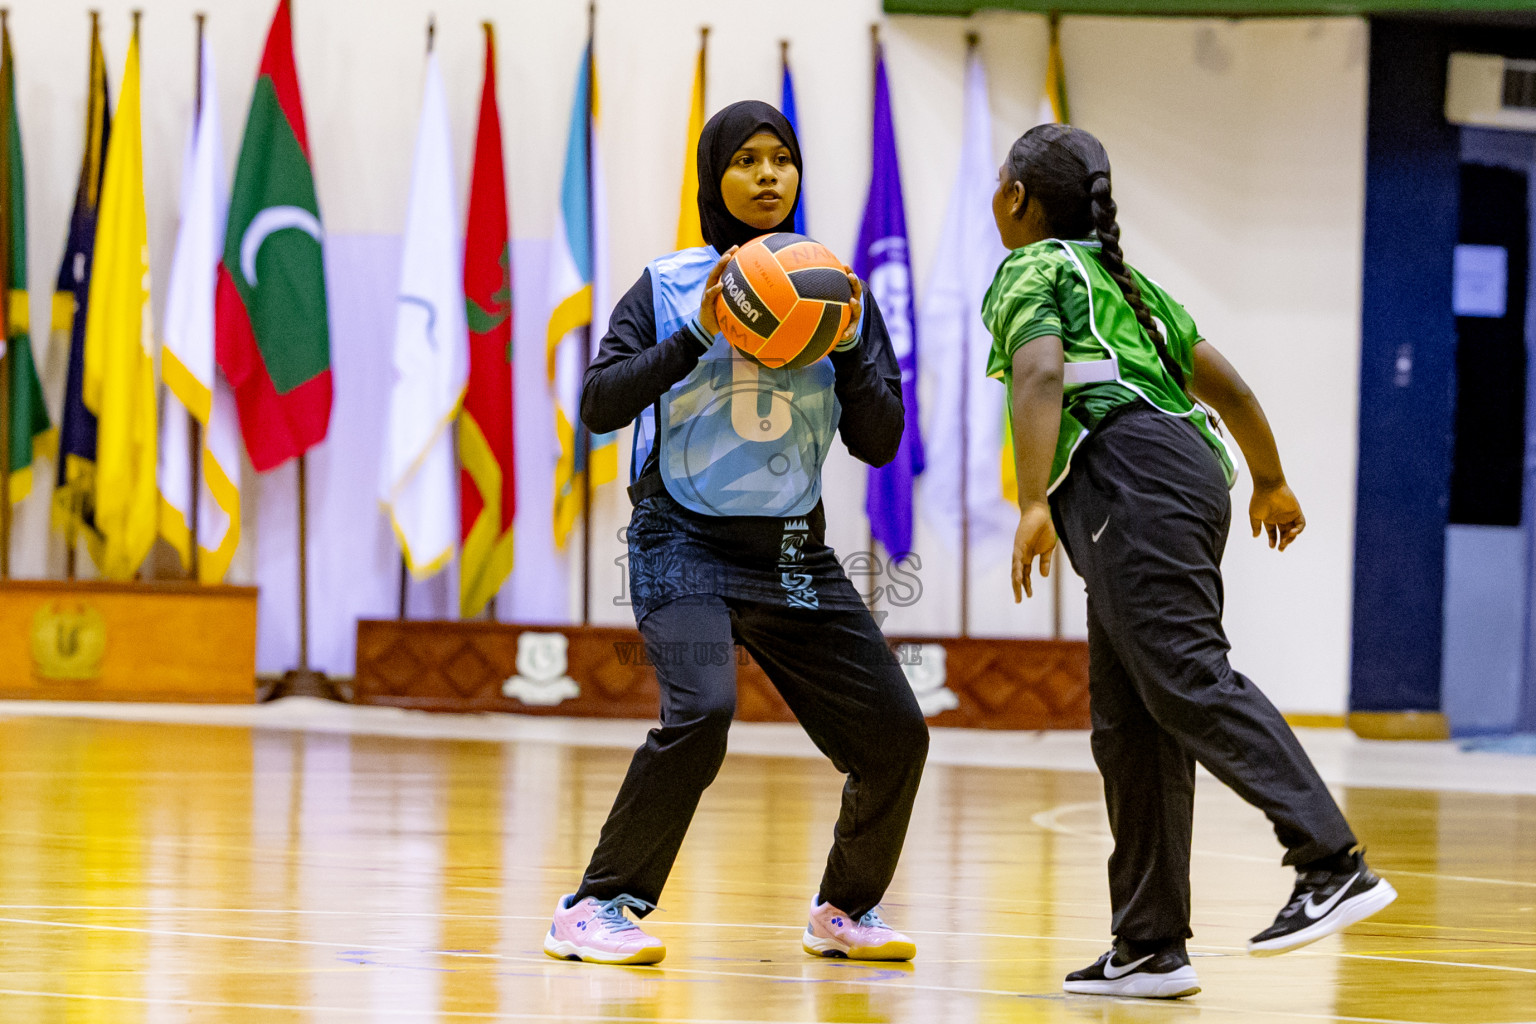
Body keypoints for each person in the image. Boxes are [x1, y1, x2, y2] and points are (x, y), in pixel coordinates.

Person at [985, 123, 1396, 999]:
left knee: (1186, 679)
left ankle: (1331, 862)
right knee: (1131, 723)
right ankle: (1148, 943)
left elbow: (1040, 375)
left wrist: (1028, 501)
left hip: (1129, 482)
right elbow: (1231, 388)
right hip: (1182, 474)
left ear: (1017, 196)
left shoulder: (1033, 271)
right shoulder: (1130, 287)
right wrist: (1271, 479)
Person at [543, 100, 929, 967]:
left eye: (781, 158)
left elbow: (880, 441)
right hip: (680, 540)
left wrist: (836, 350)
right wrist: (698, 332)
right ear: (714, 178)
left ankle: (844, 910)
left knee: (895, 734)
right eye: (746, 160)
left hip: (793, 551)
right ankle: (594, 908)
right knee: (703, 712)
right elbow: (600, 404)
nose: (767, 175)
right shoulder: (670, 284)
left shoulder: (839, 289)